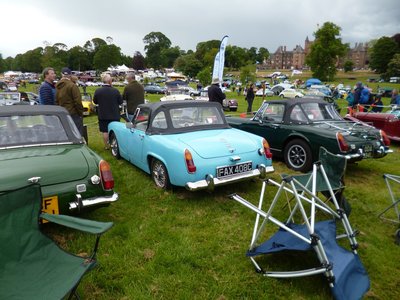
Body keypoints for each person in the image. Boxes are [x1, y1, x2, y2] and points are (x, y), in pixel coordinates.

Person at [93, 74, 123, 149]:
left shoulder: (98, 91)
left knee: (105, 131)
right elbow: (120, 101)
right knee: (115, 131)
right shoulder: (115, 91)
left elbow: (95, 101)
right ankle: (115, 145)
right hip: (114, 114)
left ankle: (107, 146)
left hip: (103, 114)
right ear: (110, 81)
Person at [56, 67, 84, 134]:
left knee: (65, 133)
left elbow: (56, 101)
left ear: (61, 74)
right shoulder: (72, 86)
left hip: (62, 113)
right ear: (70, 75)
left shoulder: (57, 86)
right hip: (73, 113)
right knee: (77, 133)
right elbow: (77, 101)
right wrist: (80, 113)